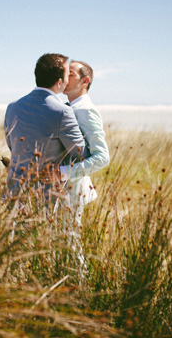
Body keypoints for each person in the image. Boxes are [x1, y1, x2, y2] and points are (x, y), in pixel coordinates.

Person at [4, 53, 89, 207]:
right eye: (66, 75)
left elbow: (12, 145)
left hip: (14, 192)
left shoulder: (12, 107)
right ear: (59, 82)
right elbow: (80, 153)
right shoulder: (62, 112)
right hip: (46, 198)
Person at [60, 60, 110, 226]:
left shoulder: (86, 109)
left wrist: (63, 173)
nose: (64, 78)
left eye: (71, 74)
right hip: (60, 190)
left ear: (85, 81)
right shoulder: (67, 106)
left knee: (70, 245)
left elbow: (102, 157)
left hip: (73, 190)